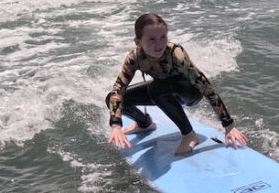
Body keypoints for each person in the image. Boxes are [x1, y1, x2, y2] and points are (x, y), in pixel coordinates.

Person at [106, 13, 248, 156]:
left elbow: (206, 88)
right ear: (138, 42)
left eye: (163, 37)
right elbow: (118, 89)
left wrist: (228, 126)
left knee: (156, 88)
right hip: (163, 89)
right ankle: (145, 124)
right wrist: (116, 125)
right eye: (152, 39)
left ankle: (189, 134)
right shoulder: (134, 58)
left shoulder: (175, 54)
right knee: (112, 98)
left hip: (190, 92)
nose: (159, 44)